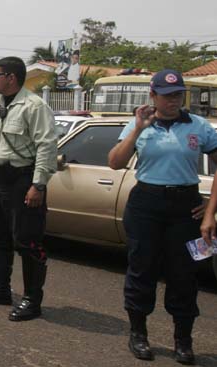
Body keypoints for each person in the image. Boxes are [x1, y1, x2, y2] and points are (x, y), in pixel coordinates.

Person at [109, 69, 216, 364]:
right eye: (167, 96)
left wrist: (210, 211)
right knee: (141, 270)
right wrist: (138, 129)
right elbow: (115, 163)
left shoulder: (198, 126)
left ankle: (183, 341)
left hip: (185, 208)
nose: (174, 101)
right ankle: (138, 335)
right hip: (146, 204)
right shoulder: (139, 124)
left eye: (178, 95)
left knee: (184, 276)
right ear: (153, 96)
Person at [0, 56, 57, 321]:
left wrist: (38, 184)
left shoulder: (33, 106)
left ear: (11, 78)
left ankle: (32, 299)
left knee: (27, 240)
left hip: (23, 181)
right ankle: (1, 289)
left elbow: (46, 145)